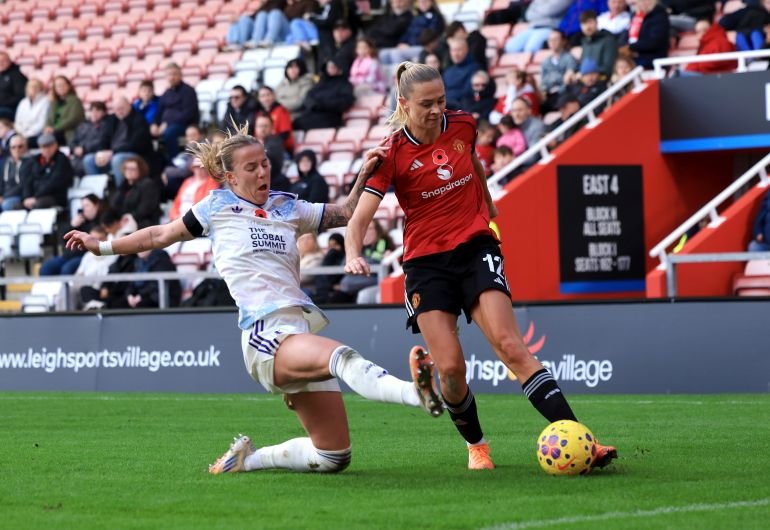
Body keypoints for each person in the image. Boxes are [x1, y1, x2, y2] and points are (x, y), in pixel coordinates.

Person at [64, 124, 444, 475]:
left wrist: (365, 172)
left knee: (333, 457)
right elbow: (157, 237)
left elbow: (346, 213)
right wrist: (103, 246)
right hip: (266, 334)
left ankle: (247, 459)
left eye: (264, 163)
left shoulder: (286, 206)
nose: (262, 172)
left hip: (299, 326)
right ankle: (417, 394)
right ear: (230, 177)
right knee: (341, 357)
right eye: (251, 167)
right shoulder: (215, 208)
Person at [343, 61, 617, 470]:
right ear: (403, 104)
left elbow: (473, 163)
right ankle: (477, 444)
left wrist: (486, 202)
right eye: (426, 104)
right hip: (426, 264)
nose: (437, 110)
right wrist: (353, 252)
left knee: (510, 346)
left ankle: (583, 441)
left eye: (441, 101)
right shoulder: (389, 155)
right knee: (451, 369)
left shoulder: (464, 125)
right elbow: (359, 218)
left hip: (475, 247)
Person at [86, 95, 153, 187]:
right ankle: (96, 194)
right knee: (89, 160)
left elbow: (136, 145)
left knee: (118, 159)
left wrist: (113, 152)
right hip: (112, 154)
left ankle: (121, 191)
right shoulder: (112, 119)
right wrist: (100, 153)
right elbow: (103, 139)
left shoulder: (139, 120)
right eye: (116, 109)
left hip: (135, 155)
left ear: (129, 106)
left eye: (122, 108)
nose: (119, 112)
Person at [39, 194, 103, 276]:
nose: (84, 209)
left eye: (87, 206)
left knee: (66, 269)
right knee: (46, 268)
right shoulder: (79, 221)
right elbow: (63, 239)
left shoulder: (101, 221)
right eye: (83, 206)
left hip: (86, 256)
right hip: (69, 255)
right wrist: (72, 226)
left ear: (96, 206)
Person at [150, 63, 200, 160]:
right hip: (166, 126)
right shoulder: (166, 93)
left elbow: (188, 114)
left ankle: (175, 161)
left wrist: (167, 124)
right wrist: (154, 124)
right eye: (169, 75)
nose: (172, 77)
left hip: (184, 124)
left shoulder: (188, 91)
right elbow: (159, 112)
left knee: (170, 133)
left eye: (174, 74)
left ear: (180, 75)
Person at [293, 59, 355, 131]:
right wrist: (314, 104)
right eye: (329, 67)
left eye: (334, 66)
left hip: (331, 116)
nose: (331, 69)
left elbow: (345, 101)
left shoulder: (345, 84)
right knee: (295, 123)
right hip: (312, 113)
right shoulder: (321, 82)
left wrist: (322, 104)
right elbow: (309, 96)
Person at [21, 132, 73, 210]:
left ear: (55, 145)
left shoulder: (61, 159)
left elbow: (54, 182)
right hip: (35, 196)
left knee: (39, 204)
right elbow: (27, 180)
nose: (46, 150)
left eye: (49, 146)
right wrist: (27, 197)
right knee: (17, 206)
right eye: (43, 147)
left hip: (55, 196)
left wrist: (36, 197)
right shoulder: (35, 160)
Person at [110, 156, 161, 229]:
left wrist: (128, 218)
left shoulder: (148, 184)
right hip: (124, 222)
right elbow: (114, 206)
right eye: (127, 168)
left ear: (140, 170)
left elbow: (145, 209)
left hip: (144, 223)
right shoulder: (123, 185)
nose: (129, 171)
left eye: (133, 169)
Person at [69, 101, 112, 177]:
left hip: (96, 155)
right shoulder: (83, 125)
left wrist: (84, 149)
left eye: (98, 110)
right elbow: (73, 140)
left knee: (87, 161)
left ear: (104, 112)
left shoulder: (107, 125)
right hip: (78, 156)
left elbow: (102, 142)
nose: (94, 113)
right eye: (92, 110)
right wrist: (74, 148)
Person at [625, 0, 671, 69]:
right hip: (633, 55)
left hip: (651, 58)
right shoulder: (635, 15)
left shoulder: (660, 15)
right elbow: (625, 34)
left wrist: (631, 48)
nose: (644, 3)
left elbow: (654, 41)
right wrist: (625, 47)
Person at [43, 75, 85, 146]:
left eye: (63, 85)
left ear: (68, 86)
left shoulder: (75, 101)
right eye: (58, 86)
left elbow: (74, 119)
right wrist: (47, 127)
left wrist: (54, 128)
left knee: (50, 140)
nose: (61, 88)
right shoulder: (54, 102)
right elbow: (49, 118)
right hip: (53, 132)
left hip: (67, 133)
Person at [256, 85, 294, 153]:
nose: (266, 98)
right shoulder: (259, 114)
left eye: (268, 95)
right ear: (259, 99)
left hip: (282, 149)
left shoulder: (281, 110)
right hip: (263, 148)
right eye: (262, 96)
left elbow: (285, 134)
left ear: (274, 96)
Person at [14, 78, 49, 148]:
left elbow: (41, 123)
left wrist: (27, 135)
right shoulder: (23, 102)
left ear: (41, 88)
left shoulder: (46, 101)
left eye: (35, 86)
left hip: (36, 134)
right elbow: (17, 122)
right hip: (22, 134)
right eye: (30, 86)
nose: (33, 88)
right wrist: (22, 134)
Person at [0, 134, 29, 211]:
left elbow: (23, 184)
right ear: (10, 149)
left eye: (20, 146)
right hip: (6, 195)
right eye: (13, 147)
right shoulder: (7, 163)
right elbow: (1, 182)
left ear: (26, 147)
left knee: (7, 204)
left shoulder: (30, 162)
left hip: (19, 196)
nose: (17, 149)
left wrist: (4, 196)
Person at [0, 51, 27, 121]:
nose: (1, 63)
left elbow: (21, 96)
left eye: (3, 61)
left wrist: (3, 102)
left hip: (11, 109)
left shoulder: (17, 76)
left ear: (9, 61)